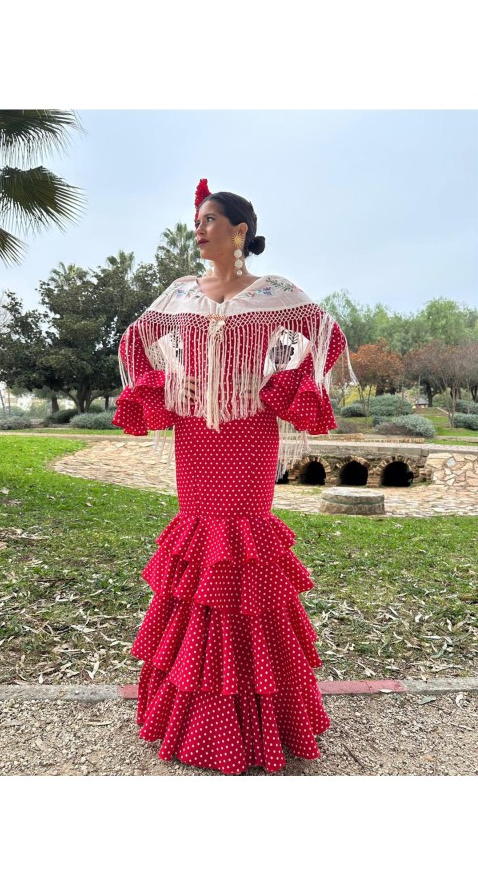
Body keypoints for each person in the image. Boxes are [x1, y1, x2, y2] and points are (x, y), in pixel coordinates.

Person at [112, 179, 356, 775]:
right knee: (199, 549)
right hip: (196, 437)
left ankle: (257, 712)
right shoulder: (180, 294)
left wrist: (276, 381)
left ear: (240, 230)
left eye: (210, 220)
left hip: (249, 437)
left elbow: (324, 336)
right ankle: (195, 711)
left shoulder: (276, 294)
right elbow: (137, 343)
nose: (199, 229)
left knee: (243, 551)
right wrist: (174, 384)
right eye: (196, 221)